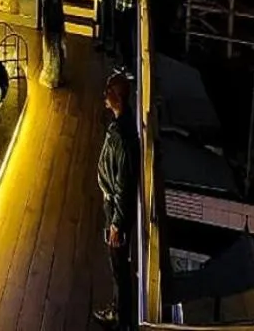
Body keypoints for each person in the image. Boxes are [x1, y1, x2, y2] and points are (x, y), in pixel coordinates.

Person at [94, 71, 139, 331]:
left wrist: (116, 223)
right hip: (114, 206)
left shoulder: (121, 138)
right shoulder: (124, 126)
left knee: (118, 267)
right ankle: (119, 312)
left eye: (108, 92)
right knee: (118, 267)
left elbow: (124, 183)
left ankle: (120, 318)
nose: (104, 97)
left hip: (116, 210)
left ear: (116, 97)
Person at [38, 0, 66, 88]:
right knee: (54, 46)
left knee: (53, 46)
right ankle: (56, 75)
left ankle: (53, 76)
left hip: (52, 17)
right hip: (53, 15)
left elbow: (53, 3)